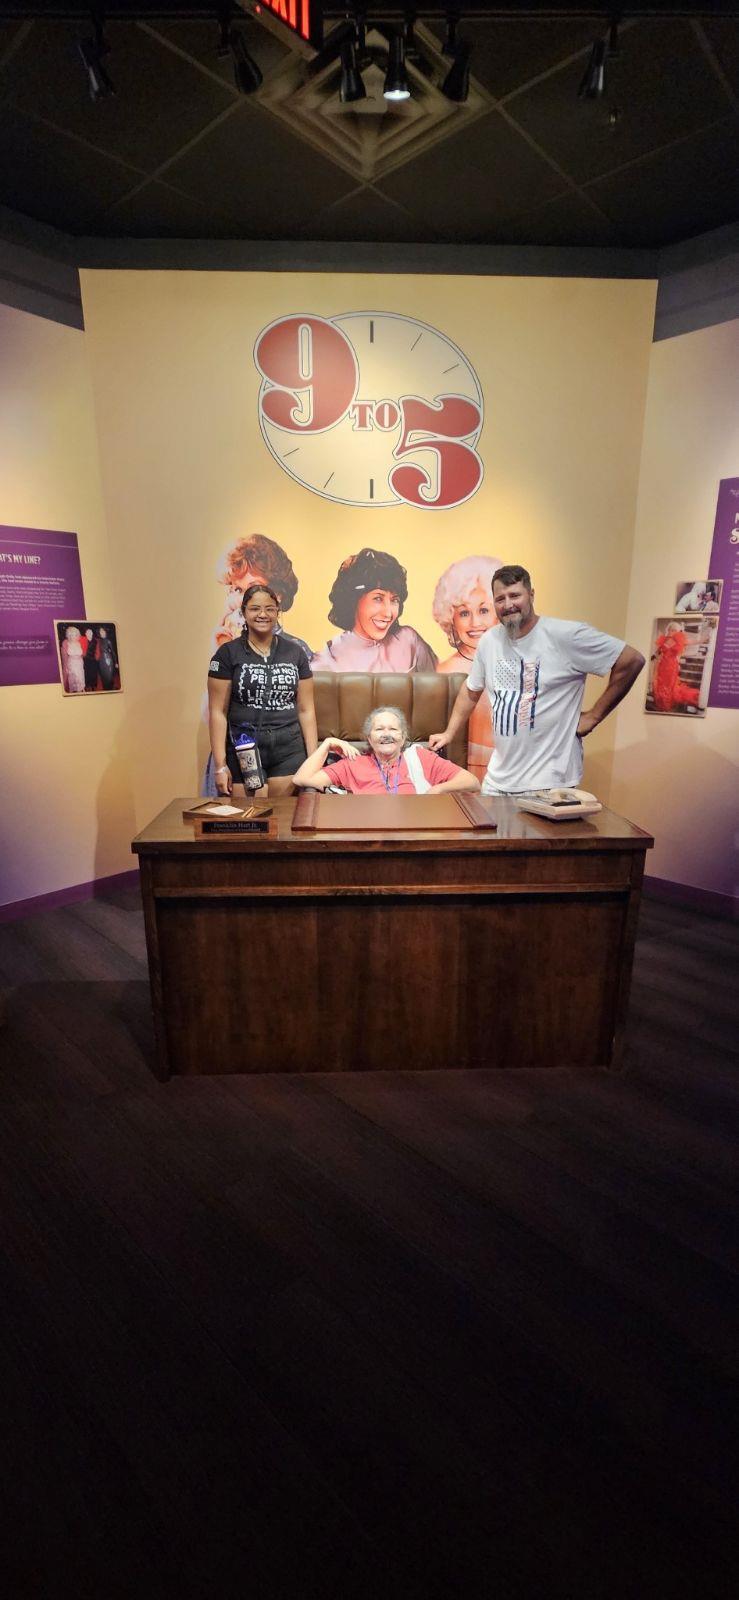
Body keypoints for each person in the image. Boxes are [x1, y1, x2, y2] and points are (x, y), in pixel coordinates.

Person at [429, 564, 645, 795]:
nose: (508, 604)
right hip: (498, 781)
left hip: (549, 785)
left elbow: (631, 660)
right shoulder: (490, 641)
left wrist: (594, 716)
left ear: (531, 595)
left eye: (515, 595)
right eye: (500, 598)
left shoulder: (565, 635)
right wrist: (449, 733)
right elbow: (471, 690)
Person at [208, 582, 318, 797]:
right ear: (244, 612)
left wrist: (313, 760)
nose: (263, 614)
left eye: (269, 608)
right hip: (244, 746)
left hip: (288, 749)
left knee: (284, 821)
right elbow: (217, 712)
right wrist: (220, 765)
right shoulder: (227, 654)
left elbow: (306, 710)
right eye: (255, 608)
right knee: (248, 823)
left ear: (278, 612)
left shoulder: (295, 653)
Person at [294, 706, 480, 795]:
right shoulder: (354, 762)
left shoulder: (420, 757)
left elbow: (472, 782)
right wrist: (327, 743)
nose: (386, 735)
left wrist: (437, 789)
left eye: (393, 729)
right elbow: (301, 779)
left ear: (403, 737)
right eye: (379, 729)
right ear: (369, 738)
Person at [432, 553, 504, 780]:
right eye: (464, 613)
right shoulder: (442, 672)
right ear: (449, 617)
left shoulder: (515, 664)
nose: (475, 623)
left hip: (511, 772)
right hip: (460, 773)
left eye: (484, 610)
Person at [311, 547, 437, 672]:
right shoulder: (329, 659)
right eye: (378, 598)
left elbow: (442, 687)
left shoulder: (409, 641)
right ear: (354, 600)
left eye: (394, 600)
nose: (388, 613)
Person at [215, 532, 311, 656]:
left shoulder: (296, 650)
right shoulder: (227, 644)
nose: (243, 599)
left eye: (254, 588)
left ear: (278, 594)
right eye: (238, 590)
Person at [650, 621, 700, 713]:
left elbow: (690, 642)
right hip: (662, 665)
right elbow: (658, 651)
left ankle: (666, 704)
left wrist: (702, 640)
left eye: (674, 630)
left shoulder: (678, 639)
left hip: (671, 666)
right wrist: (653, 657)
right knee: (661, 684)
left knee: (669, 685)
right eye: (670, 629)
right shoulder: (664, 639)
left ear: (677, 631)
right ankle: (661, 702)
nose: (671, 631)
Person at [60, 625, 85, 693]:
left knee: (80, 680)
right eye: (72, 634)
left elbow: (82, 655)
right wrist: (66, 667)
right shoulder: (66, 643)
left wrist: (82, 663)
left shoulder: (79, 643)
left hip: (79, 664)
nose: (74, 636)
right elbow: (64, 658)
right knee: (74, 681)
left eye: (75, 634)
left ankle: (81, 691)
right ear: (69, 635)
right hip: (72, 664)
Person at [96, 626, 118, 690]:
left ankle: (110, 688)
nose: (102, 632)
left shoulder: (108, 641)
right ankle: (106, 689)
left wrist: (116, 662)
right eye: (100, 631)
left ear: (105, 632)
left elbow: (113, 652)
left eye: (103, 631)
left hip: (108, 660)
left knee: (109, 676)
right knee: (103, 676)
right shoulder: (99, 641)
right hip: (101, 661)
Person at [81, 627, 98, 691]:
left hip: (93, 659)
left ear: (92, 633)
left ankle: (93, 685)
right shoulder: (83, 640)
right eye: (87, 632)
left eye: (90, 632)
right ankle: (87, 685)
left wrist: (97, 657)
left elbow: (98, 649)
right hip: (86, 659)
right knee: (86, 672)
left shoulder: (95, 640)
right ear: (85, 633)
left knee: (93, 673)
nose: (89, 633)